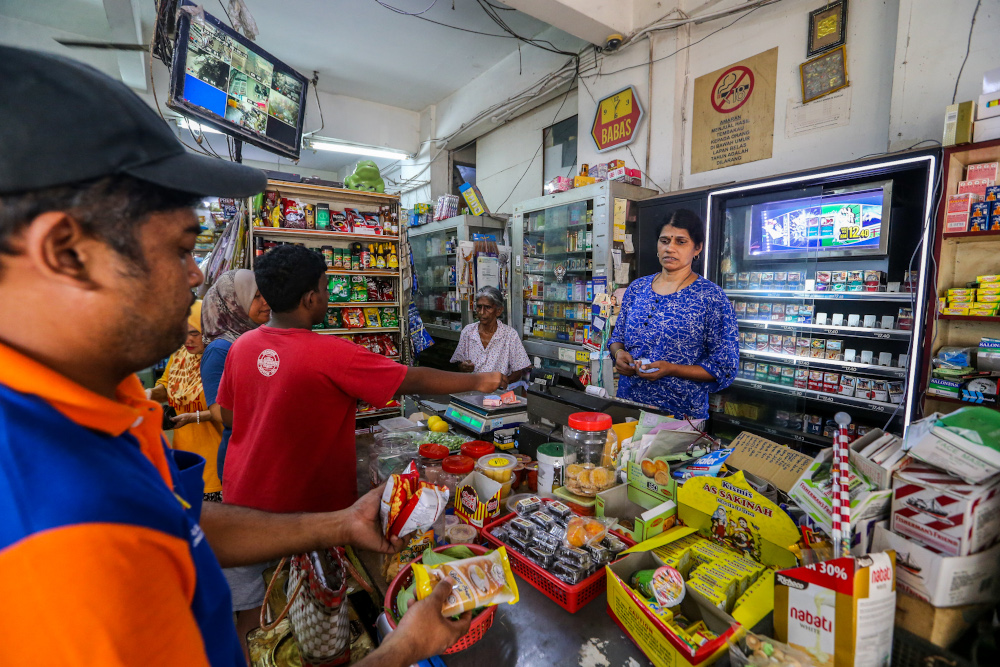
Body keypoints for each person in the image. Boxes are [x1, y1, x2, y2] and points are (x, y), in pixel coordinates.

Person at [0, 45, 471, 667]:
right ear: (67, 252)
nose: (198, 276)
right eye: (180, 247)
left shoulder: (89, 409)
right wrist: (406, 647)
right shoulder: (67, 539)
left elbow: (182, 518)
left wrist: (336, 524)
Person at [216, 244, 503, 635]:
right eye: (325, 285)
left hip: (240, 515)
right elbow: (408, 379)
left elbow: (231, 417)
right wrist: (481, 380)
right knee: (318, 617)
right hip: (308, 513)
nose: (329, 293)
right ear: (310, 297)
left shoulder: (241, 347)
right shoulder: (332, 353)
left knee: (255, 622)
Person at [608, 209, 738, 420]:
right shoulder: (637, 288)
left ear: (697, 248)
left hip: (679, 416)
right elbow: (617, 339)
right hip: (629, 407)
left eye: (680, 241)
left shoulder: (711, 297)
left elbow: (724, 366)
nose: (670, 248)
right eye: (664, 240)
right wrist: (618, 354)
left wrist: (671, 369)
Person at [146, 299, 224, 499]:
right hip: (183, 457)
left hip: (213, 462)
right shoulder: (181, 355)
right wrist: (151, 394)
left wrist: (194, 417)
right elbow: (166, 384)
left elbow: (229, 411)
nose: (187, 340)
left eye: (195, 333)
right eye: (184, 333)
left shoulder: (219, 358)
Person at [200, 269, 271, 483]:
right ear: (233, 303)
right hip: (243, 460)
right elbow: (219, 414)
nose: (266, 302)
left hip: (264, 454)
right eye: (256, 296)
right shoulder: (220, 349)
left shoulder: (260, 336)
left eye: (264, 293)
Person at [450, 285, 531, 390]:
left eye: (487, 307)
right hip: (472, 391)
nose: (481, 312)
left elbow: (520, 369)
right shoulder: (468, 332)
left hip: (498, 395)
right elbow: (459, 361)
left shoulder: (509, 335)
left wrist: (502, 382)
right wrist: (463, 366)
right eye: (479, 307)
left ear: (499, 310)